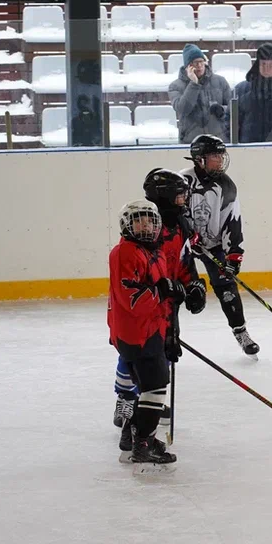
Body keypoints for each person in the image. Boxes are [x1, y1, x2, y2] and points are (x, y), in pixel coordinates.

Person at [112, 169, 207, 451]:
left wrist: (194, 286)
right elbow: (136, 286)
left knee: (160, 353)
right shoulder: (145, 232)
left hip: (165, 304)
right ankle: (127, 401)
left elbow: (182, 262)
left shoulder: (179, 225)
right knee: (135, 357)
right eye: (179, 196)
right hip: (143, 309)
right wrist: (163, 291)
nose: (184, 201)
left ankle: (146, 404)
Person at [108, 200, 184, 467]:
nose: (146, 226)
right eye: (139, 221)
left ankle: (134, 440)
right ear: (127, 224)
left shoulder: (154, 252)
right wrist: (162, 291)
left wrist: (170, 329)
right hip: (136, 333)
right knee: (155, 386)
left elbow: (160, 290)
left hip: (151, 329)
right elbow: (132, 300)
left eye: (151, 221)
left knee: (149, 387)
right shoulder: (125, 253)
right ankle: (143, 444)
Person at [181, 134, 259, 356]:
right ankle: (165, 334)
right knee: (176, 289)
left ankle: (241, 332)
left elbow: (233, 221)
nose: (220, 160)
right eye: (215, 156)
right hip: (183, 246)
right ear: (200, 159)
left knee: (226, 287)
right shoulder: (182, 181)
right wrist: (186, 234)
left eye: (220, 155)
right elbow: (173, 213)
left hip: (213, 245)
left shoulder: (226, 185)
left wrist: (234, 255)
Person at [169, 43, 233, 144]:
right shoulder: (175, 86)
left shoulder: (220, 81)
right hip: (190, 141)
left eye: (201, 62)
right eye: (195, 63)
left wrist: (221, 109)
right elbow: (183, 109)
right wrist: (194, 84)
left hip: (218, 139)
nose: (199, 66)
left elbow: (233, 108)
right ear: (188, 66)